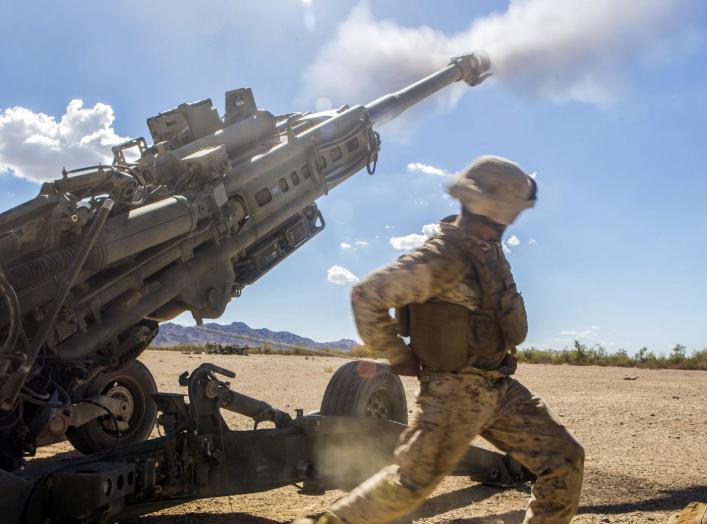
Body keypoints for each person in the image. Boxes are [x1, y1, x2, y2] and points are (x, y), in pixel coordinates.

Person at [295, 155, 584, 524]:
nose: (513, 221)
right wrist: (397, 356)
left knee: (564, 460)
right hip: (453, 394)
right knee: (407, 485)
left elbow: (487, 316)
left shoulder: (487, 250)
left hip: (497, 387)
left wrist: (501, 353)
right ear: (494, 207)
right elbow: (367, 295)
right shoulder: (444, 256)